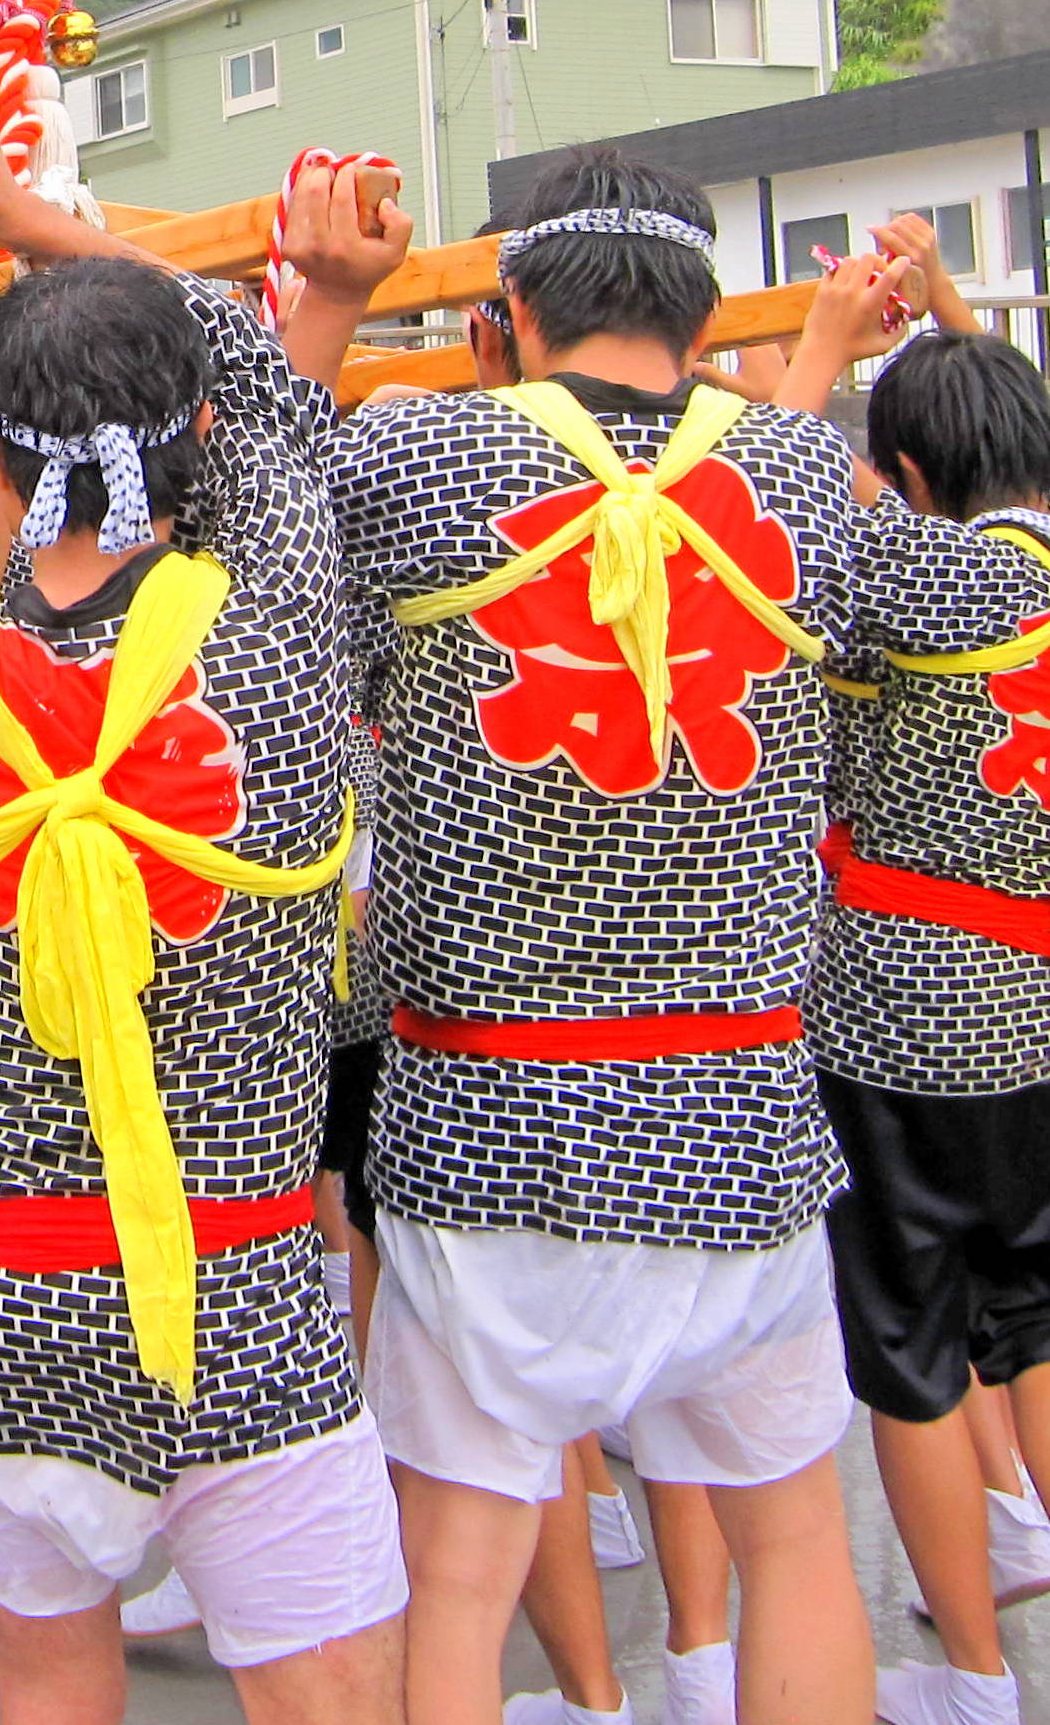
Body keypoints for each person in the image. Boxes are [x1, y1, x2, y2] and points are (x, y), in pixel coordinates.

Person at [0, 82, 411, 1724]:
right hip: (242, 1294)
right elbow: (247, 372)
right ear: (202, 444)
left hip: (1, 1308)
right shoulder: (285, 600)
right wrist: (18, 213)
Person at [321, 145, 873, 1725]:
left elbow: (277, 586)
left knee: (463, 1576)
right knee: (798, 1538)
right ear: (700, 315)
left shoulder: (419, 459)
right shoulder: (796, 478)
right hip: (747, 1110)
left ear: (506, 312)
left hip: (493, 1121)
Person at [773, 294, 1050, 1725]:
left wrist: (821, 351)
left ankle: (975, 1678)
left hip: (911, 1014)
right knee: (1042, 1319)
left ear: (920, 478)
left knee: (917, 1349)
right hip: (1044, 1003)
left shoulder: (925, 575)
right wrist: (944, 307)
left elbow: (782, 497)